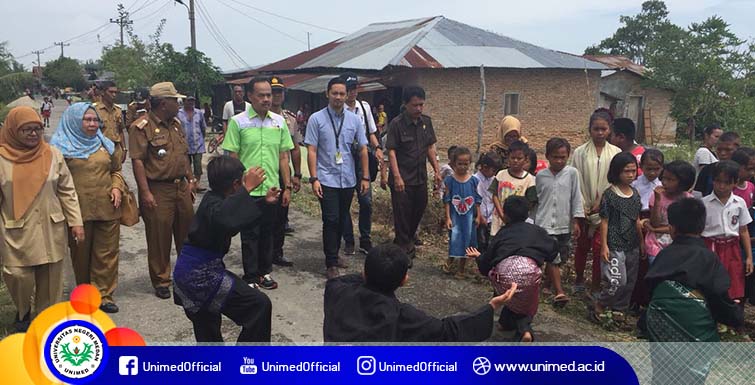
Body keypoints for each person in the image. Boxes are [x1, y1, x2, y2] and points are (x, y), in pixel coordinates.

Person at [173, 156, 277, 342]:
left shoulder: (218, 201)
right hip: (200, 276)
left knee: (209, 332)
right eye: (241, 182)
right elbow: (227, 218)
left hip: (190, 274)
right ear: (236, 184)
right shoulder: (214, 204)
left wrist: (264, 202)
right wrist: (247, 189)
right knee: (258, 306)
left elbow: (237, 217)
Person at [323, 243, 517, 342]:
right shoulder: (401, 316)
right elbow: (447, 331)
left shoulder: (336, 290)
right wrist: (491, 306)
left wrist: (374, 270)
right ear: (404, 280)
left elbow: (349, 278)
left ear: (364, 272)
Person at [0, 106, 84, 331]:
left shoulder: (52, 154)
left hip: (50, 226)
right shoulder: (2, 158)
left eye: (37, 129)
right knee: (17, 275)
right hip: (17, 229)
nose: (33, 134)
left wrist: (76, 222)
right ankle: (23, 310)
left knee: (51, 281)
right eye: (26, 129)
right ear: (12, 130)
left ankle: (46, 320)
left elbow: (67, 190)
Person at [643, 198, 743, 385]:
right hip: (695, 328)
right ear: (702, 227)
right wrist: (735, 315)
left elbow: (651, 291)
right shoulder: (708, 258)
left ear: (672, 228)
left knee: (663, 374)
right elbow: (718, 296)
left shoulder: (664, 255)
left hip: (660, 326)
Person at [50, 103, 125, 313]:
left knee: (107, 254)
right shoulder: (59, 148)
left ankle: (105, 295)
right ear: (74, 121)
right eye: (87, 120)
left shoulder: (105, 144)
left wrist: (117, 187)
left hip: (108, 208)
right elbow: (55, 183)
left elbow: (116, 170)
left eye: (95, 120)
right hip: (78, 212)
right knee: (80, 255)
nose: (93, 124)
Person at [222, 77, 294, 289]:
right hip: (248, 190)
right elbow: (233, 156)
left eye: (269, 95)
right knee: (249, 234)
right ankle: (251, 276)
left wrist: (287, 186)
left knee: (267, 232)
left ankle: (265, 272)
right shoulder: (239, 122)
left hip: (271, 189)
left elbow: (283, 157)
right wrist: (236, 187)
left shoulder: (279, 122)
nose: (266, 99)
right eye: (261, 95)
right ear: (250, 96)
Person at [129, 82, 196, 299]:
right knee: (159, 237)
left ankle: (186, 276)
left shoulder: (176, 124)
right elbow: (138, 161)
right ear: (163, 103)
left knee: (187, 234)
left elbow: (182, 154)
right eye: (175, 100)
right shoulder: (141, 127)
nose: (179, 104)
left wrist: (190, 178)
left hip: (181, 186)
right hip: (158, 189)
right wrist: (146, 192)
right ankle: (161, 279)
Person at [467, 196, 559, 342]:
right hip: (530, 271)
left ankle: (508, 324)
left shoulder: (503, 233)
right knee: (528, 299)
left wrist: (479, 257)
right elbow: (553, 251)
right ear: (527, 214)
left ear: (505, 215)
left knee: (508, 290)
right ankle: (525, 330)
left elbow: (486, 263)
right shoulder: (538, 231)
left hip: (504, 273)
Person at [305, 77, 369, 279]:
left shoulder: (354, 120)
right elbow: (312, 150)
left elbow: (363, 149)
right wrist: (314, 178)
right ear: (327, 94)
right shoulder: (316, 119)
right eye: (335, 93)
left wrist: (365, 177)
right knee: (330, 219)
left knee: (342, 218)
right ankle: (330, 262)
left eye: (342, 93)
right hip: (326, 178)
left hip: (348, 178)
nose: (339, 97)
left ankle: (335, 254)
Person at [385, 86, 441, 262]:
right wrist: (397, 177)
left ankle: (405, 239)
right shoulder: (396, 124)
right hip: (402, 178)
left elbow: (430, 147)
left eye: (421, 105)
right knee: (402, 214)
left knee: (419, 207)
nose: (419, 109)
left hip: (419, 177)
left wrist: (437, 171)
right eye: (415, 105)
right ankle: (404, 250)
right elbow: (391, 152)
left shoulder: (426, 122)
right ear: (406, 104)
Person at [569, 108, 622, 295]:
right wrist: (581, 206)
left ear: (609, 130)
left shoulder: (616, 153)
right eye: (596, 129)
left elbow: (616, 181)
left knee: (601, 248)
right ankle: (579, 279)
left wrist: (602, 202)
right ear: (589, 130)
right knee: (582, 246)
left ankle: (596, 284)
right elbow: (576, 180)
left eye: (603, 129)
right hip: (584, 208)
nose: (600, 133)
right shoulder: (580, 153)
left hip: (606, 210)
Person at [593, 152, 643, 322]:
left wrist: (641, 241)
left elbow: (636, 219)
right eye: (626, 171)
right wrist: (604, 246)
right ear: (616, 172)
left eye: (633, 171)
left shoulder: (635, 193)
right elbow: (604, 221)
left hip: (632, 244)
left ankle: (619, 309)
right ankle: (601, 303)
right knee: (616, 280)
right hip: (614, 244)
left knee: (630, 281)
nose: (630, 175)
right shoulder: (610, 194)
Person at [535, 138, 584, 306]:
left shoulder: (572, 174)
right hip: (544, 223)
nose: (559, 161)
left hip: (564, 224)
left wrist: (576, 221)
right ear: (548, 156)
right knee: (553, 257)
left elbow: (576, 197)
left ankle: (547, 284)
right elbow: (537, 200)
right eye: (555, 157)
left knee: (560, 257)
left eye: (563, 157)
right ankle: (559, 291)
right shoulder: (540, 176)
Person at [340, 73, 384, 255]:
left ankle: (365, 239)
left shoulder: (364, 108)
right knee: (345, 202)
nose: (352, 93)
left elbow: (371, 132)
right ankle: (348, 239)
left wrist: (378, 148)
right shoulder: (338, 109)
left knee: (366, 201)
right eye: (349, 89)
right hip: (344, 159)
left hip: (362, 157)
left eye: (355, 88)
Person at [701, 160, 753, 301]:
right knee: (711, 283)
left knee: (734, 283)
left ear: (735, 182)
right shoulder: (703, 204)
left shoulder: (739, 203)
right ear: (713, 180)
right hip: (710, 247)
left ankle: (730, 317)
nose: (721, 186)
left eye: (727, 182)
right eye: (718, 181)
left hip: (732, 248)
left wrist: (749, 257)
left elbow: (743, 230)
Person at [269, 75, 303, 267]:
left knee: (281, 215)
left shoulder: (289, 119)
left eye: (279, 92)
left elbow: (295, 149)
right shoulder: (258, 118)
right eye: (273, 92)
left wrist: (297, 175)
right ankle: (263, 253)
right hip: (264, 171)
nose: (275, 96)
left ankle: (277, 252)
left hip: (283, 173)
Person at [644, 161, 696, 265]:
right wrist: (657, 201)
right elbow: (655, 222)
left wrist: (655, 229)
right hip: (656, 245)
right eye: (663, 178)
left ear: (683, 182)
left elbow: (682, 228)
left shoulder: (688, 200)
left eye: (670, 180)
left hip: (678, 246)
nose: (664, 182)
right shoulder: (656, 196)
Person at [442, 146, 482, 278]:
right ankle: (450, 262)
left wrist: (478, 216)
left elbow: (477, 200)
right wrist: (447, 217)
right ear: (453, 163)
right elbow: (447, 200)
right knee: (455, 239)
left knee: (466, 241)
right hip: (455, 218)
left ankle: (461, 269)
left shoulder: (474, 181)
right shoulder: (450, 180)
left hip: (468, 220)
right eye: (460, 164)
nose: (463, 167)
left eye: (466, 164)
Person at [488, 140, 535, 236]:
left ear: (526, 159)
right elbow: (495, 195)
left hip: (518, 224)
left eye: (519, 158)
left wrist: (517, 217)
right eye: (513, 158)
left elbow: (531, 202)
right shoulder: (501, 174)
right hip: (499, 223)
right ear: (508, 158)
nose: (515, 161)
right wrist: (502, 215)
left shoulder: (529, 179)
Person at [694, 131, 739, 198]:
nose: (722, 153)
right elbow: (698, 193)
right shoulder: (708, 170)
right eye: (719, 149)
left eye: (728, 150)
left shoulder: (743, 171)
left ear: (737, 149)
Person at [177, 96, 208, 192]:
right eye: (189, 101)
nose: (191, 103)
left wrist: (202, 138)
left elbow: (203, 127)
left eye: (192, 101)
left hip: (197, 144)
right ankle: (188, 183)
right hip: (184, 144)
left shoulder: (199, 113)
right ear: (184, 102)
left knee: (198, 165)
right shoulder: (178, 113)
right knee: (186, 165)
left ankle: (197, 183)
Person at [473, 151, 502, 253]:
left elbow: (494, 197)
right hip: (480, 216)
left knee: (490, 241)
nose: (494, 173)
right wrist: (480, 216)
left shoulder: (494, 179)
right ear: (484, 167)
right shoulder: (475, 180)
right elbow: (477, 201)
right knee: (481, 241)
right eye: (493, 170)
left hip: (491, 217)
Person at [93, 81, 127, 164]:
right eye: (111, 92)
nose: (114, 95)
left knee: (117, 174)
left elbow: (120, 131)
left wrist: (124, 148)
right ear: (103, 93)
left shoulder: (118, 110)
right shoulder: (94, 109)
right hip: (101, 148)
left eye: (115, 92)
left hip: (116, 148)